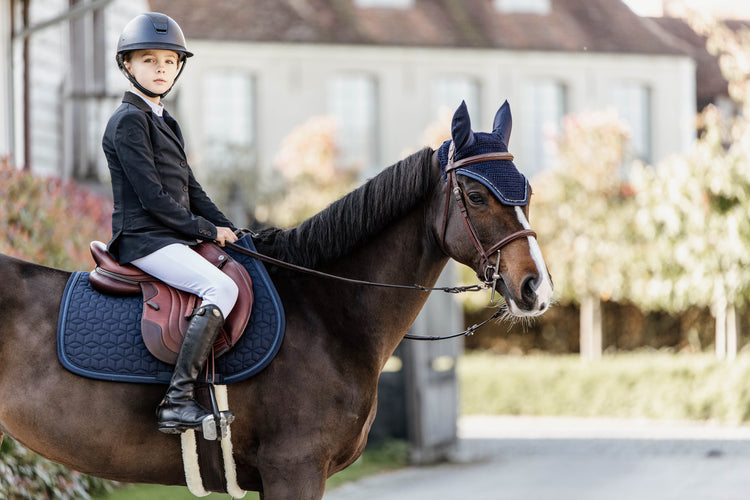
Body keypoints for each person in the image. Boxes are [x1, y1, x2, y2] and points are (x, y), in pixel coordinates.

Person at [102, 12, 239, 434]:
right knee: (222, 287)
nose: (160, 68)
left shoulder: (165, 120)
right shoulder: (128, 121)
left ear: (179, 67)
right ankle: (177, 400)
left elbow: (191, 190)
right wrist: (206, 231)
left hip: (170, 238)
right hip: (145, 240)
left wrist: (232, 229)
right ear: (127, 65)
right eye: (148, 60)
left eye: (168, 60)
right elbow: (154, 200)